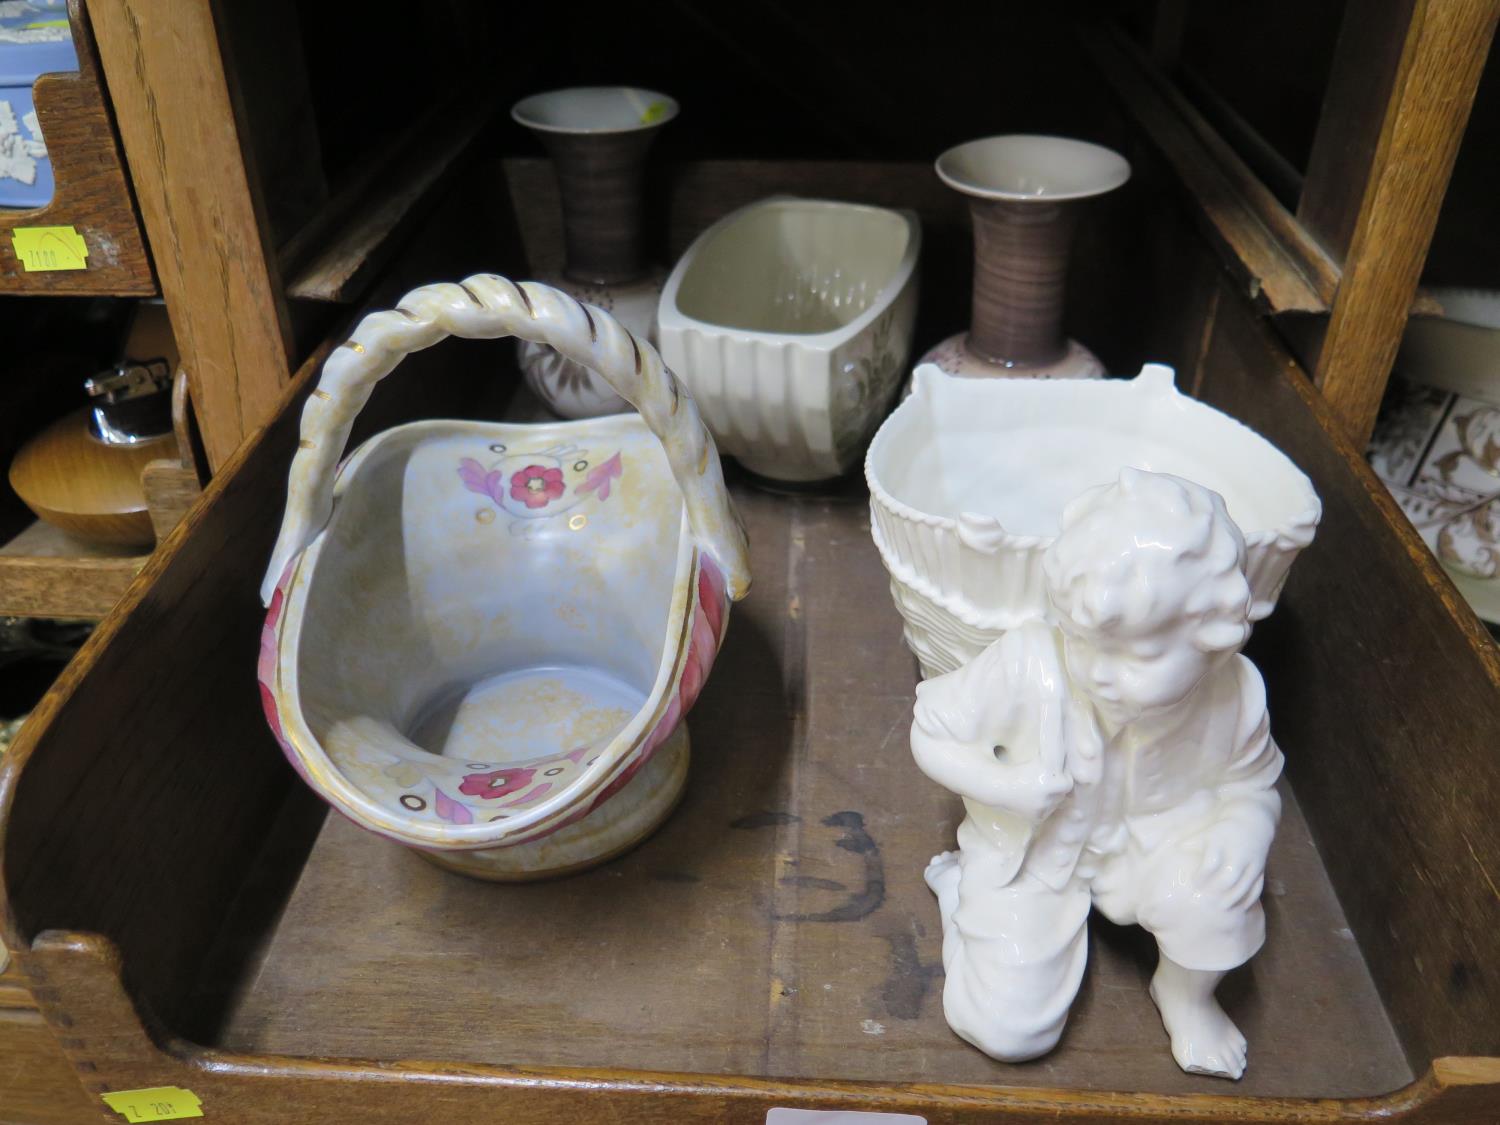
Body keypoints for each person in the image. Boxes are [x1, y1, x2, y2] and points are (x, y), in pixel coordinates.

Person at [912, 468, 1281, 1079]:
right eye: (1084, 642)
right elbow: (931, 734)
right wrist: (1006, 788)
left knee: (1217, 887)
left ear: (1213, 635)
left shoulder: (1235, 693)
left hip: (1156, 847)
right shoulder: (1030, 660)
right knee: (1007, 1031)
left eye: (1137, 654)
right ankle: (962, 896)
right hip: (1036, 854)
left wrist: (1245, 834)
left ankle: (1186, 997)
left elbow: (1252, 784)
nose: (1101, 672)